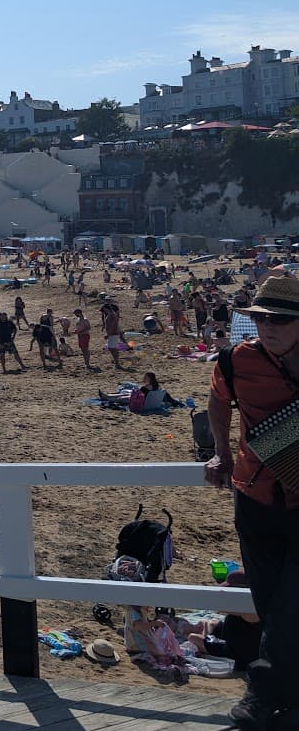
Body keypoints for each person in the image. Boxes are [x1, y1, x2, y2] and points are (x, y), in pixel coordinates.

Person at [206, 276, 299, 730]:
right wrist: (220, 452)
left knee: (290, 605)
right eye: (261, 319)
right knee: (268, 602)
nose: (269, 327)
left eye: (281, 319)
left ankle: (261, 694)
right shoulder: (234, 361)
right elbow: (217, 402)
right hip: (255, 497)